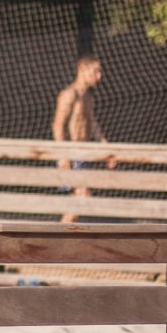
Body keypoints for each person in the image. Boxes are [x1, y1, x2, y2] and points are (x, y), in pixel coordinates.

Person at [52, 55, 113, 223]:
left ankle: (61, 237)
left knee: (78, 201)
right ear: (82, 70)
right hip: (70, 153)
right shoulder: (69, 95)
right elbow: (57, 125)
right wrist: (63, 156)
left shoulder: (88, 97)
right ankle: (58, 237)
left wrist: (104, 144)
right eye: (95, 71)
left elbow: (92, 122)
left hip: (83, 154)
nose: (99, 76)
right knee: (83, 196)